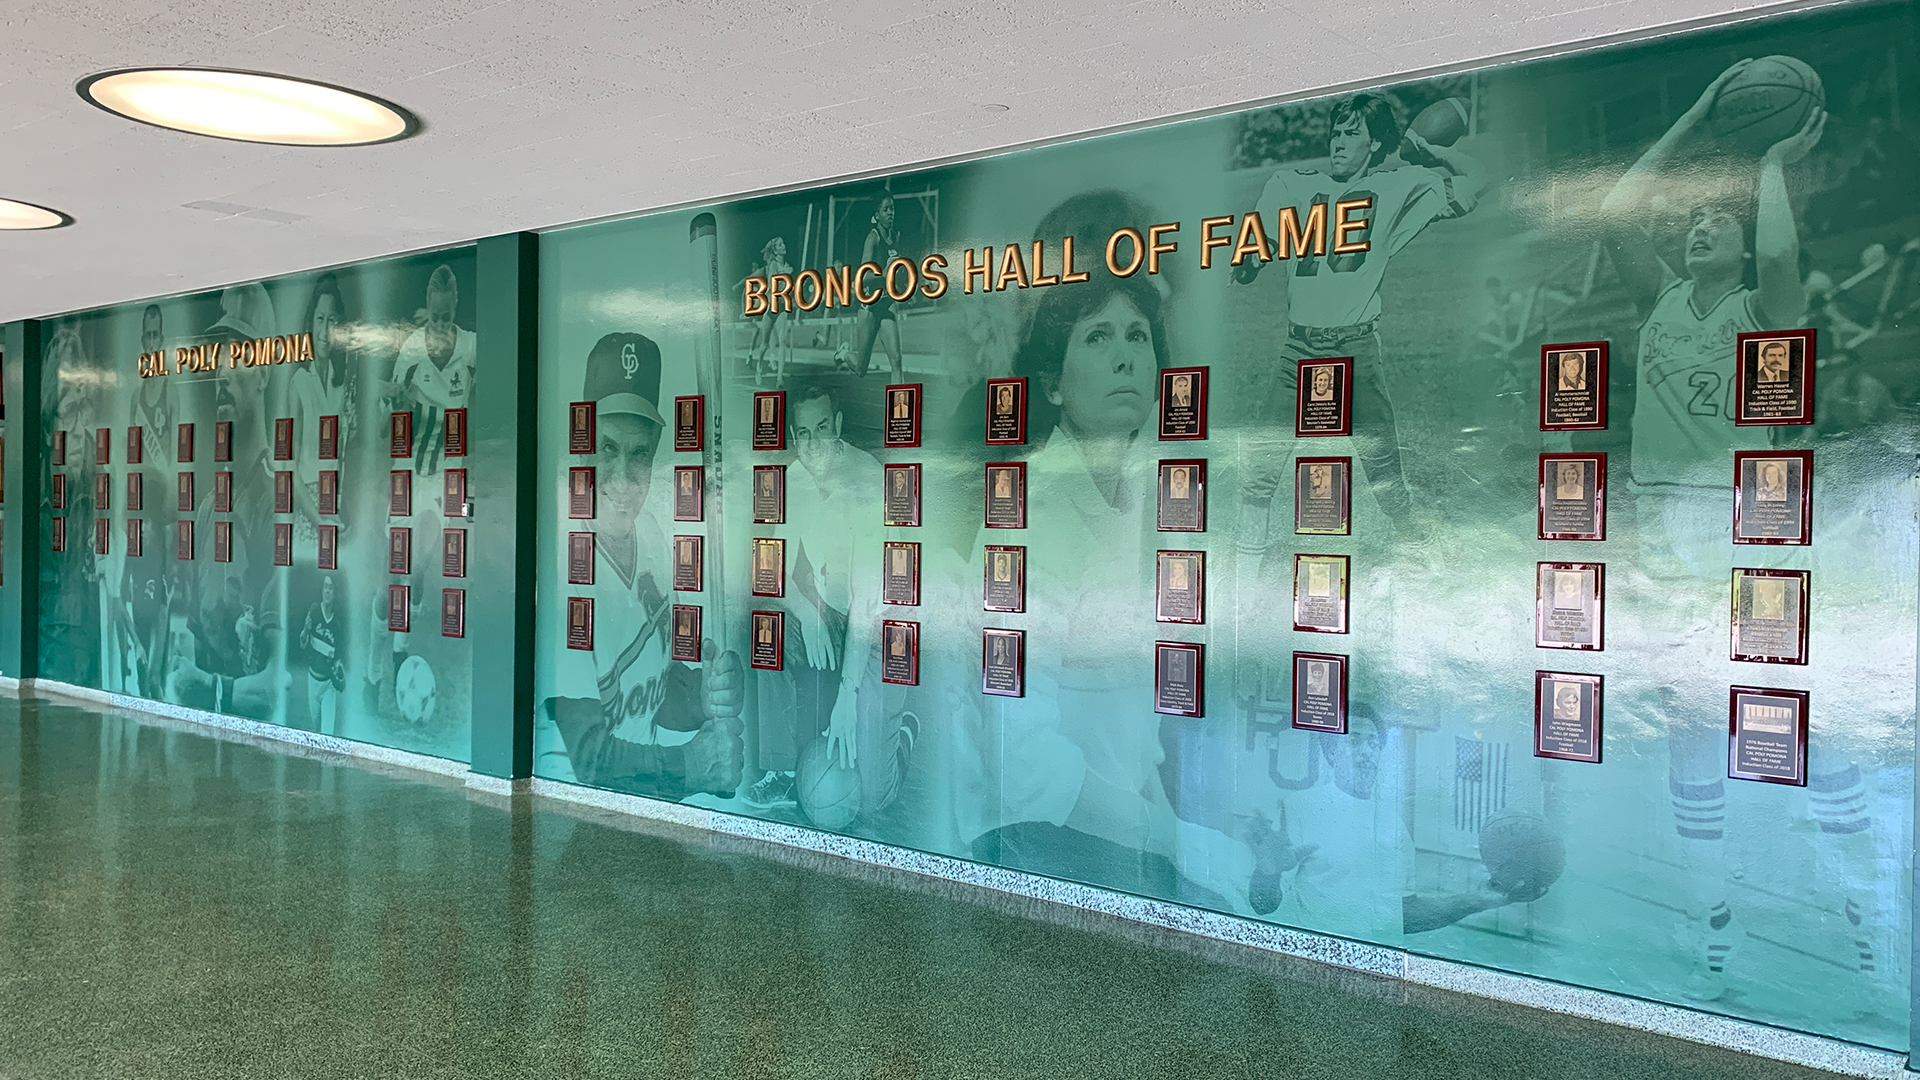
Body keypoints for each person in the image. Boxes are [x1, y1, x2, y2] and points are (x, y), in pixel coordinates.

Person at [963, 190, 1294, 917]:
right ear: (1051, 381)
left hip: (1126, 849)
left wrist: (1183, 833)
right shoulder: (1030, 515)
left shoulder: (1147, 499)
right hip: (1034, 859)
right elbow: (1020, 757)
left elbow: (1133, 728)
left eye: (1137, 336)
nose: (1123, 357)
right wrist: (1169, 841)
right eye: (1096, 337)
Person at [1599, 59, 1838, 999]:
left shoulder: (1756, 309)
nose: (1701, 225)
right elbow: (1617, 212)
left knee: (1756, 716)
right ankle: (1709, 907)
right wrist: (1697, 107)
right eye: (1695, 220)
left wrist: (1772, 160)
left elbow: (1780, 259)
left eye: (1718, 223)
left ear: (1735, 253)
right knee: (1684, 723)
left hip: (1735, 528)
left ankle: (1806, 878)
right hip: (1663, 522)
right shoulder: (1660, 299)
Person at [1234, 93, 1491, 545]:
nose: (1339, 142)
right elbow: (1254, 247)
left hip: (1356, 348)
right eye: (1336, 132)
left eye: (1352, 134)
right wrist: (1251, 260)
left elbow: (1481, 175)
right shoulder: (1292, 183)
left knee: (1383, 461)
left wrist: (1427, 149)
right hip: (1300, 350)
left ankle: (1410, 539)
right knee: (1262, 464)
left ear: (1374, 144)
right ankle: (1244, 560)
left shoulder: (1397, 187)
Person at [541, 333, 745, 799]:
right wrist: (693, 768)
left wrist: (704, 698)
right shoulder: (561, 568)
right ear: (580, 447)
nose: (622, 478)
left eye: (639, 454)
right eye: (607, 448)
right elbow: (591, 759)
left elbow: (657, 695)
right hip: (565, 823)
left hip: (638, 815)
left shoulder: (653, 537)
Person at [741, 383, 915, 821]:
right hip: (828, 611)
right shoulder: (790, 480)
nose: (814, 444)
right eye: (804, 433)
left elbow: (868, 605)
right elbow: (765, 570)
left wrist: (847, 696)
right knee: (767, 618)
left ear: (837, 425)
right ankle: (780, 769)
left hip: (880, 624)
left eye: (823, 427)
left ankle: (904, 734)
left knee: (871, 796)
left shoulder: (869, 482)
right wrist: (805, 611)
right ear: (795, 438)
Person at [838, 194, 907, 382]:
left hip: (887, 303)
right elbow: (863, 277)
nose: (891, 213)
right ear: (877, 214)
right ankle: (844, 354)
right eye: (886, 209)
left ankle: (899, 409)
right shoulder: (873, 238)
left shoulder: (896, 236)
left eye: (892, 208)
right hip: (869, 305)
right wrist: (883, 274)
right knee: (861, 368)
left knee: (896, 360)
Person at [299, 575, 345, 734]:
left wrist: (338, 670)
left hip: (328, 685)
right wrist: (305, 629)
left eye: (331, 588)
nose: (327, 591)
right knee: (316, 727)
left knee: (327, 733)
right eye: (325, 586)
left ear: (335, 592)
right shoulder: (314, 611)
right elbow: (302, 643)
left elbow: (338, 657)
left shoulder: (338, 621)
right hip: (312, 680)